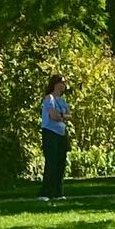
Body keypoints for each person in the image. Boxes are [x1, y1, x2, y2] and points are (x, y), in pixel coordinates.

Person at [37, 74, 71, 202]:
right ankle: (45, 192)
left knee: (60, 163)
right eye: (62, 82)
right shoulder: (49, 98)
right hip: (50, 133)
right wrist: (62, 116)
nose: (64, 85)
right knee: (51, 162)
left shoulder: (62, 101)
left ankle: (58, 192)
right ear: (56, 84)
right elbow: (53, 116)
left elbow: (69, 115)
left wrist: (61, 116)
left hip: (61, 134)